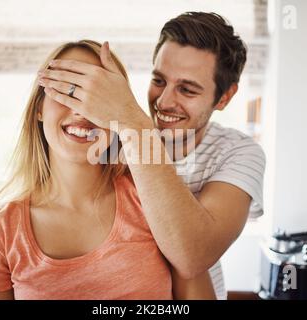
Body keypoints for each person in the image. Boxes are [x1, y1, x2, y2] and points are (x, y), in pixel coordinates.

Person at [0, 40, 215, 300]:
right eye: (68, 92)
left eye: (99, 99)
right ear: (39, 108)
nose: (82, 110)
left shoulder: (154, 202)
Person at [38, 12, 266, 299]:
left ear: (224, 97)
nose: (164, 101)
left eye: (187, 89)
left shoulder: (239, 153)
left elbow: (191, 255)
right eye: (159, 81)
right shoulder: (113, 137)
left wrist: (133, 123)